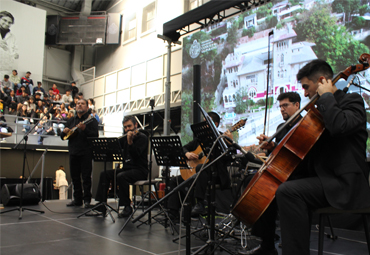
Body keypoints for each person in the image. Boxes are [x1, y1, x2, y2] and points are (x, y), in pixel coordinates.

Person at [274, 59, 370, 255]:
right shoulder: (318, 112)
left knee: (289, 192)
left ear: (323, 81)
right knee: (276, 184)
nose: (306, 93)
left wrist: (326, 96)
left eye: (307, 87)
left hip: (346, 184)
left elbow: (339, 126)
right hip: (326, 181)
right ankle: (268, 245)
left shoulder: (353, 102)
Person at [246, 92, 303, 255]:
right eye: (280, 106)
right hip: (282, 172)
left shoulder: (303, 124)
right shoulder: (281, 127)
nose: (282, 110)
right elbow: (278, 155)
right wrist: (271, 147)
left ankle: (268, 244)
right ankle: (266, 242)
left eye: (286, 105)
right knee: (255, 182)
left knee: (269, 191)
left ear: (297, 105)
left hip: (298, 173)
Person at [167, 112, 233, 219]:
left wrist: (230, 143)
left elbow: (229, 158)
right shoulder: (200, 139)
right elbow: (183, 148)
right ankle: (173, 213)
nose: (203, 125)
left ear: (215, 124)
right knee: (175, 180)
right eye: (203, 122)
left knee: (199, 168)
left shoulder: (222, 138)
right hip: (199, 174)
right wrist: (187, 153)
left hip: (216, 175)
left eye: (206, 123)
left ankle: (201, 203)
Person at [93, 116, 148, 217]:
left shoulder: (142, 138)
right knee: (104, 173)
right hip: (127, 169)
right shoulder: (124, 138)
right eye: (125, 127)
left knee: (121, 176)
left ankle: (127, 206)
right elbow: (116, 148)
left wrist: (130, 143)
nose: (127, 129)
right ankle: (101, 204)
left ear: (136, 125)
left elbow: (136, 156)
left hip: (140, 170)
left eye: (129, 126)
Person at [60, 99, 98, 208]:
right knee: (75, 177)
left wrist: (85, 129)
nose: (79, 105)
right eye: (78, 104)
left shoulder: (92, 121)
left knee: (86, 177)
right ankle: (77, 199)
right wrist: (64, 132)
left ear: (87, 107)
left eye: (82, 104)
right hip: (73, 152)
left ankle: (87, 200)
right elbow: (63, 137)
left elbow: (95, 135)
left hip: (86, 152)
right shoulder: (71, 120)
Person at [0, 11, 18, 79]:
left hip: (4, 67)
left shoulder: (12, 37)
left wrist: (15, 54)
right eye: (4, 20)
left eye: (9, 22)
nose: (7, 23)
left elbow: (15, 51)